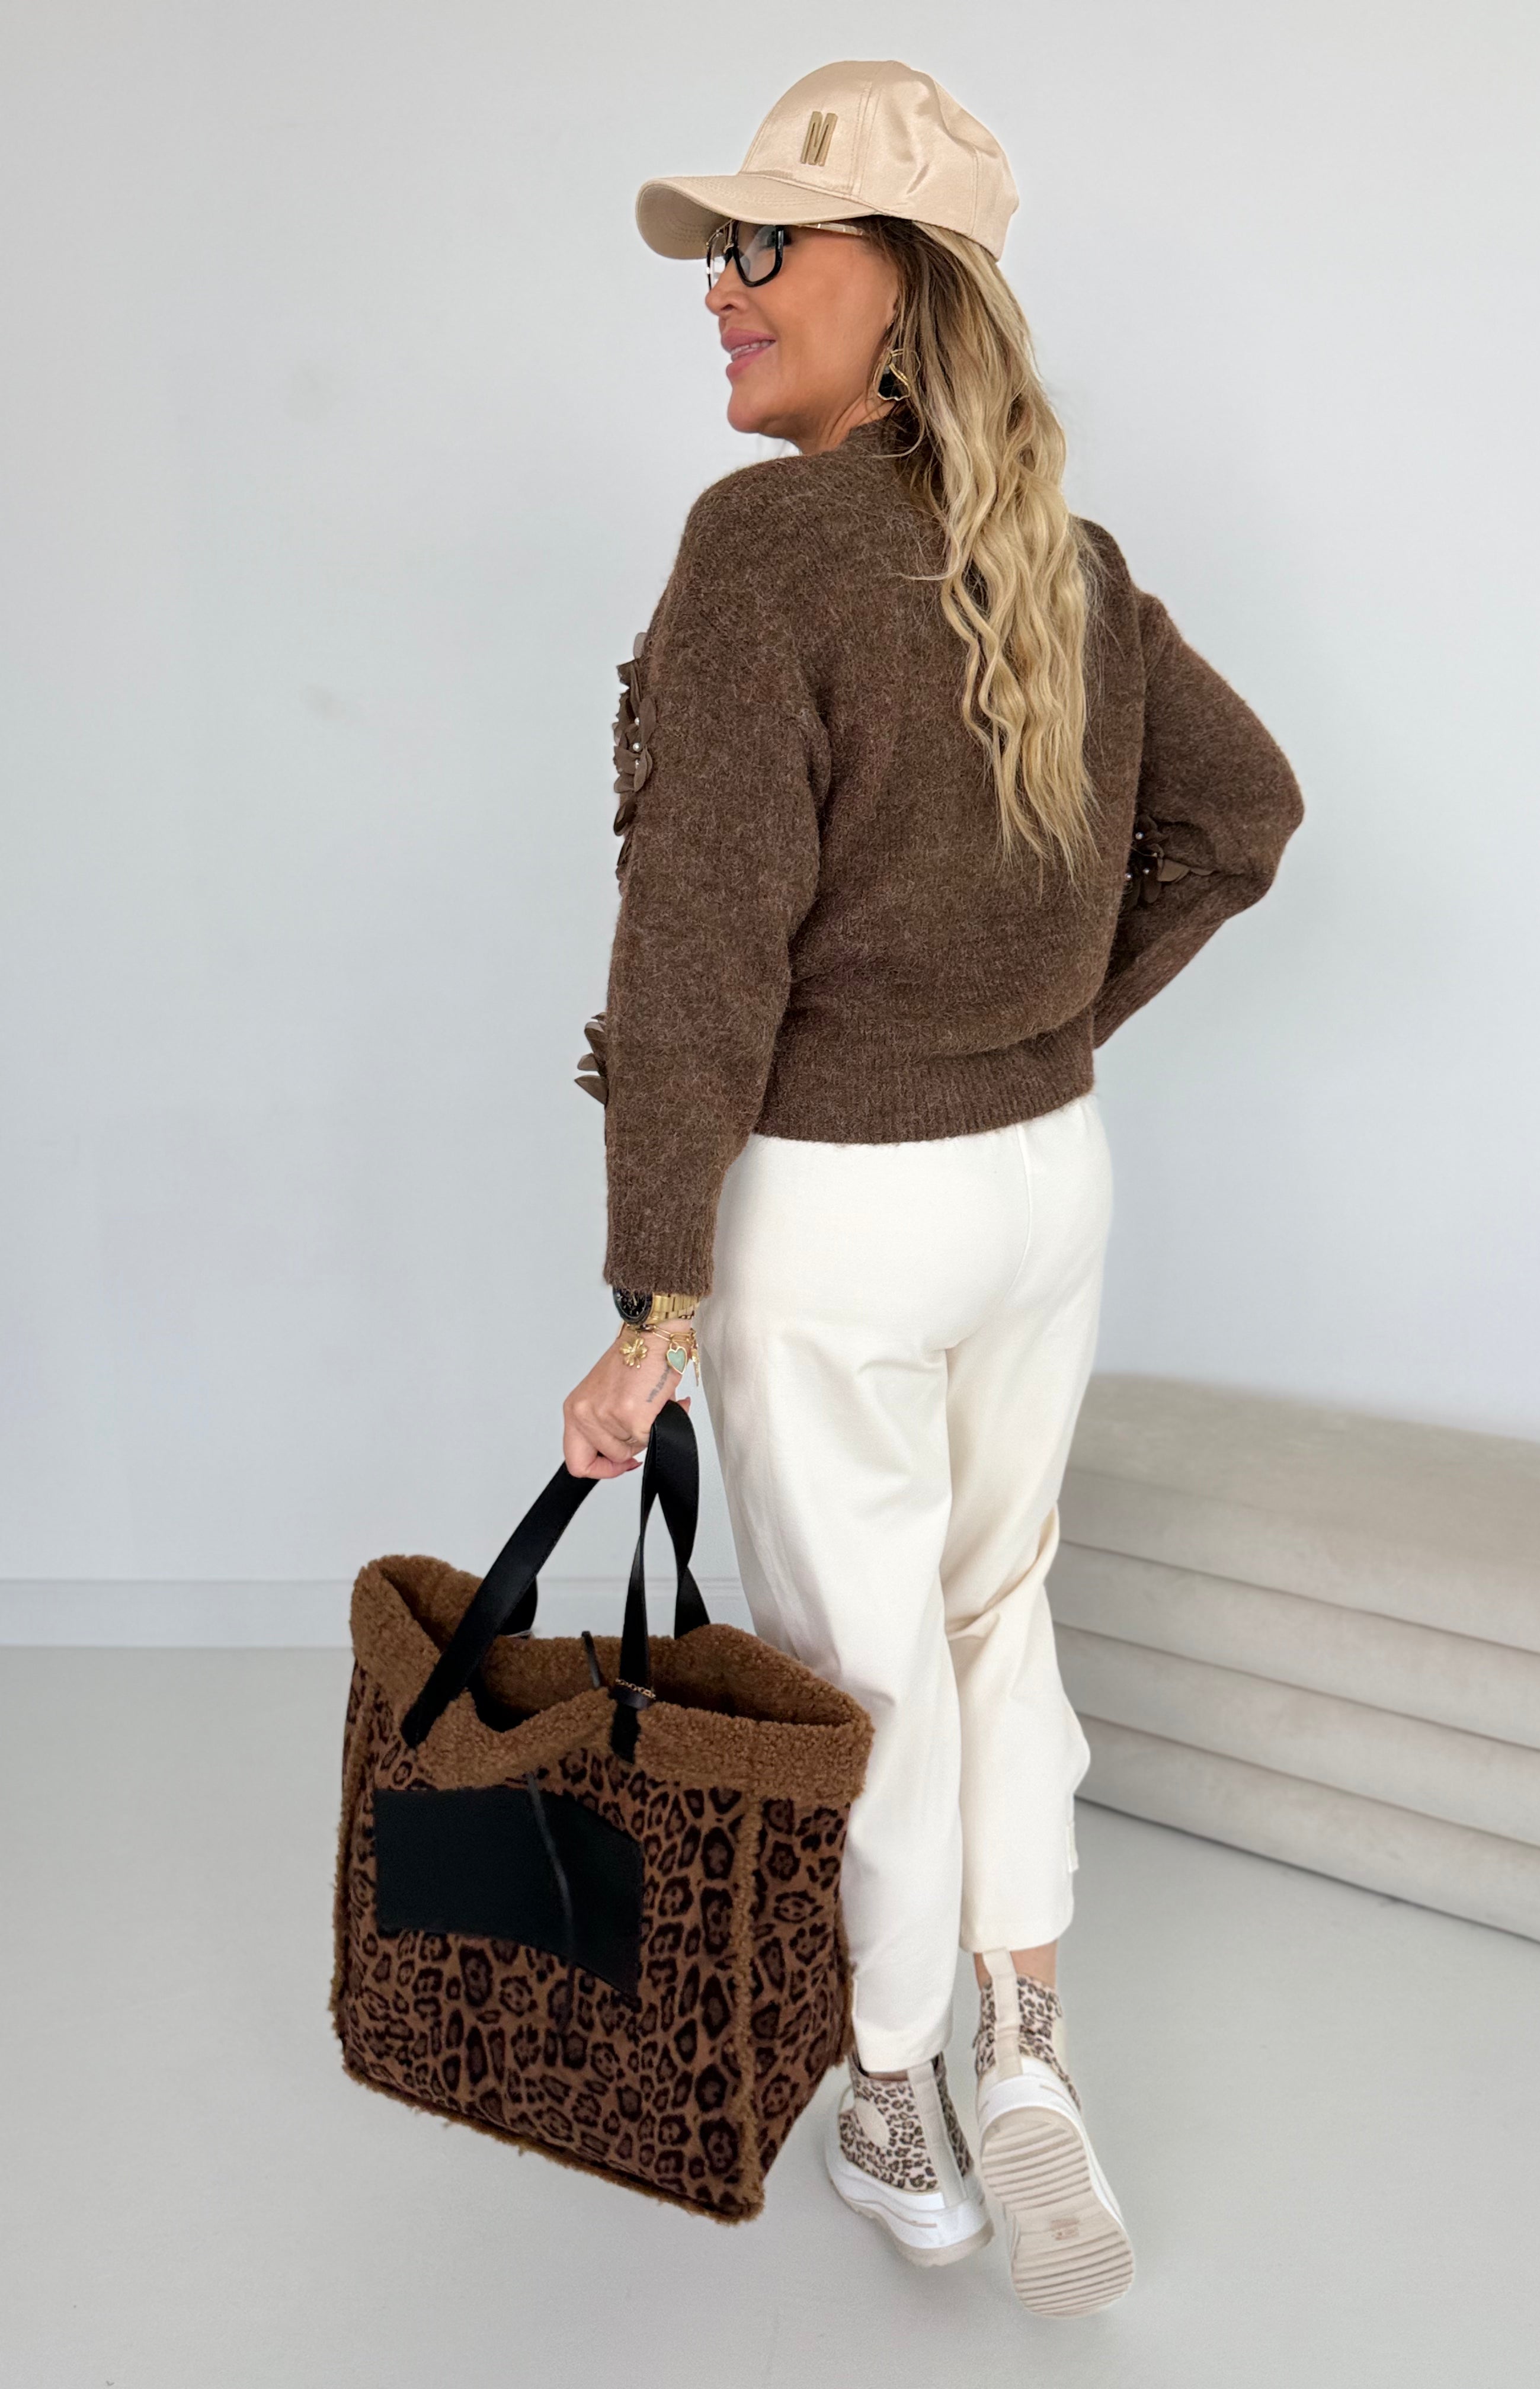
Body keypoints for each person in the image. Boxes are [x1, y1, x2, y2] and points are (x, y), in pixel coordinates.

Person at [561, 59, 1303, 2317]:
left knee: (864, 1666)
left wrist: (652, 1302)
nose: (722, 288)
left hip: (840, 1214)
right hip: (1041, 1186)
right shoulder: (1062, 556)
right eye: (721, 251)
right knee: (1000, 1612)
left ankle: (895, 2093)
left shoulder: (762, 550)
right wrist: (1050, 1021)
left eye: (766, 245)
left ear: (904, 282)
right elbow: (1244, 818)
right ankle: (1032, 2044)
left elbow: (699, 957)